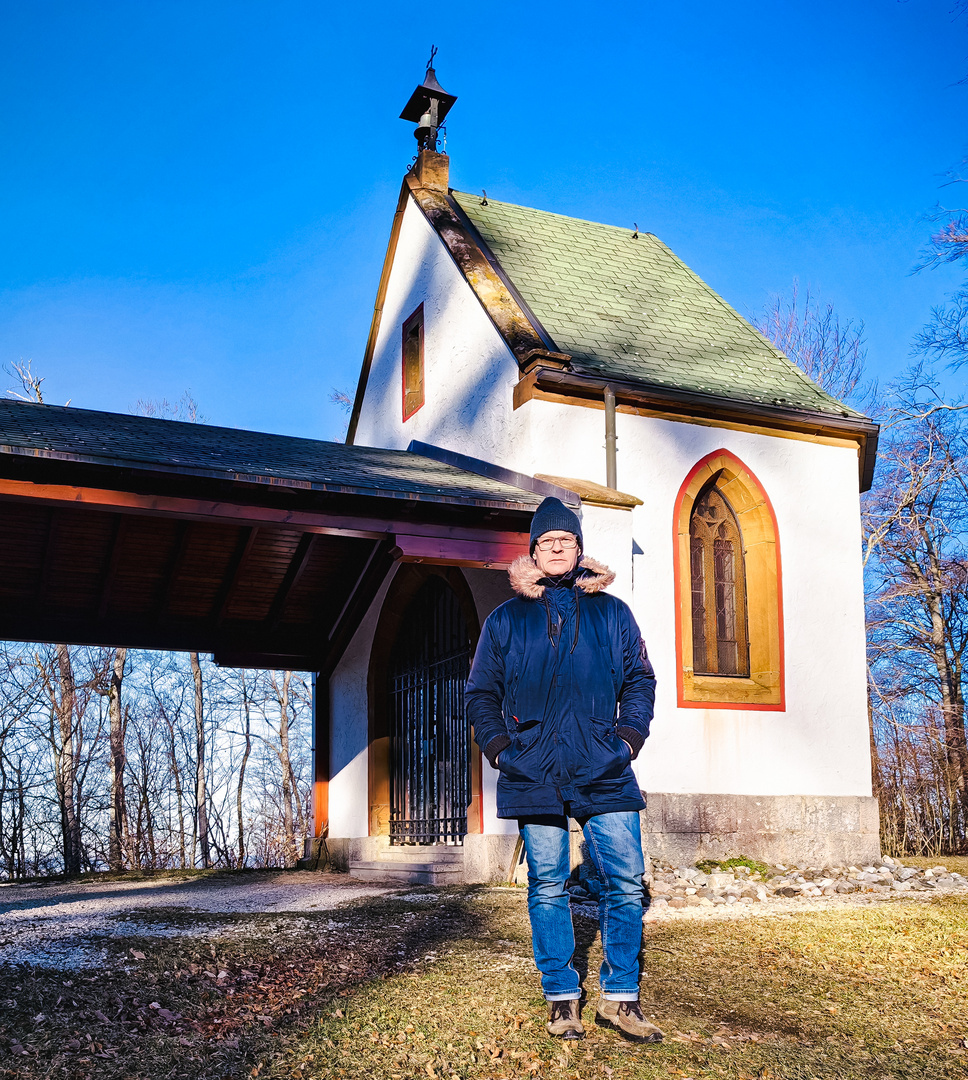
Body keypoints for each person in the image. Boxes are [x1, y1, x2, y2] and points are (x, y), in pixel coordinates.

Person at [466, 496, 664, 1043]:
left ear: (580, 550)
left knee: (624, 881)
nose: (557, 548)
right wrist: (502, 751)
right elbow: (481, 692)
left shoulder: (612, 612)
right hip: (533, 769)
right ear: (532, 551)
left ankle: (620, 999)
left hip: (604, 765)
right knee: (548, 883)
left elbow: (639, 679)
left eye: (567, 541)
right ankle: (561, 998)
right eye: (547, 542)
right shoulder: (506, 620)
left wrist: (627, 739)